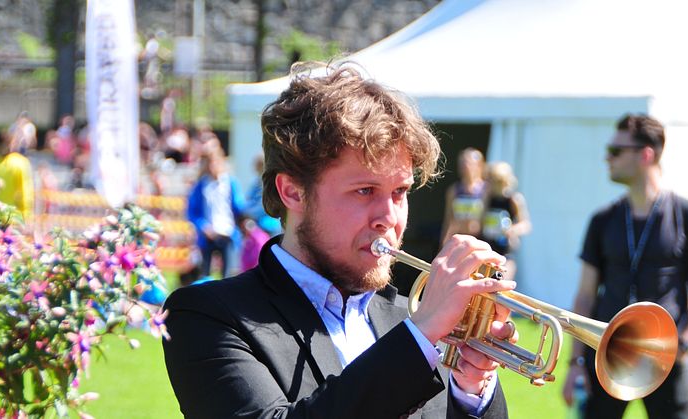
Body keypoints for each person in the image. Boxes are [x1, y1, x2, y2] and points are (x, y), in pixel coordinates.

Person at [162, 63, 518, 418]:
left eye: (399, 192)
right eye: (365, 190)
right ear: (293, 192)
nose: (389, 217)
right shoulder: (206, 316)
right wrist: (421, 334)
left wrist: (472, 389)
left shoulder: (408, 319)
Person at [562, 114, 688, 419]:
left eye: (616, 151)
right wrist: (575, 364)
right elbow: (585, 296)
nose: (607, 158)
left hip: (666, 359)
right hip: (608, 354)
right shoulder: (602, 219)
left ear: (646, 154)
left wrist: (683, 346)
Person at [186, 145, 245, 278]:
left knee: (228, 275)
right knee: (205, 274)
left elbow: (239, 207)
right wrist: (203, 227)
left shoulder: (230, 183)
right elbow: (192, 211)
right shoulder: (201, 185)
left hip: (227, 233)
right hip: (208, 235)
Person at [479, 162, 531, 281]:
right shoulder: (487, 197)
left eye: (495, 180)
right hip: (488, 247)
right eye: (489, 179)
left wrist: (512, 230)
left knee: (501, 286)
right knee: (482, 283)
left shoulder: (514, 199)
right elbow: (480, 220)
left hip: (505, 251)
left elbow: (526, 224)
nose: (490, 183)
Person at [440, 147, 487, 244]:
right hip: (461, 240)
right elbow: (449, 220)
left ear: (479, 165)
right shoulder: (454, 190)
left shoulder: (487, 190)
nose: (464, 166)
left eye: (468, 162)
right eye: (462, 163)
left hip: (482, 240)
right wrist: (443, 244)